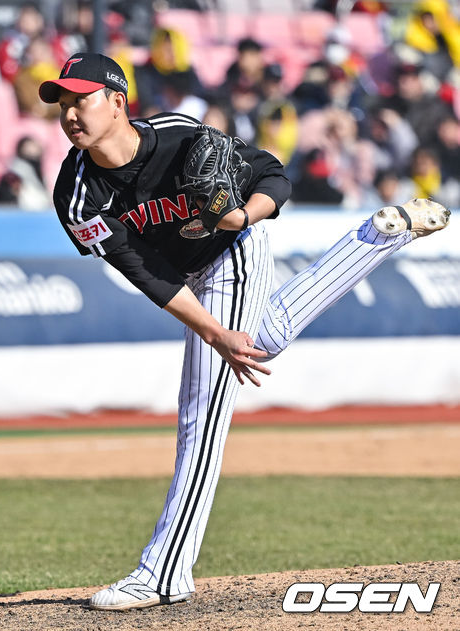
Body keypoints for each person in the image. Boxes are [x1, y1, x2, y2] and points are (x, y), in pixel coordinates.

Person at [38, 52, 450, 611]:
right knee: (261, 340)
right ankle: (374, 239)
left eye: (80, 99)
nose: (69, 113)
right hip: (184, 275)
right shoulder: (78, 193)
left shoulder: (181, 137)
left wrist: (242, 216)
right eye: (61, 103)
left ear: (117, 101)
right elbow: (146, 274)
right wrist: (214, 331)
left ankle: (164, 572)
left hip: (234, 249)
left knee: (203, 411)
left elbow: (272, 174)